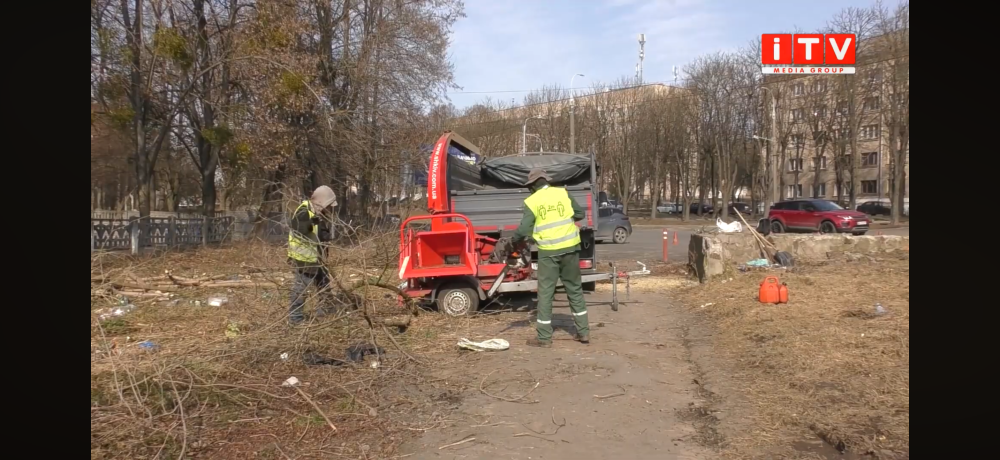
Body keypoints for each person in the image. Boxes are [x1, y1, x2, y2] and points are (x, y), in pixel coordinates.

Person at [511, 168, 589, 348]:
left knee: (546, 293)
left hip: (549, 252)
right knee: (575, 290)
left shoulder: (532, 201)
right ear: (546, 181)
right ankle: (583, 332)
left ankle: (544, 338)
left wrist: (515, 242)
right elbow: (580, 214)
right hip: (570, 248)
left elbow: (523, 230)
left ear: (532, 185)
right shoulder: (563, 193)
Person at [287, 185, 338, 324]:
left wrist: (324, 234)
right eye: (328, 205)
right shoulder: (304, 212)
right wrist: (317, 226)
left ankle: (326, 311)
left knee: (324, 286)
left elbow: (318, 233)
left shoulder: (316, 212)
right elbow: (301, 229)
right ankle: (295, 318)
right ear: (322, 201)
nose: (329, 209)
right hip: (305, 260)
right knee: (301, 291)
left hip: (317, 259)